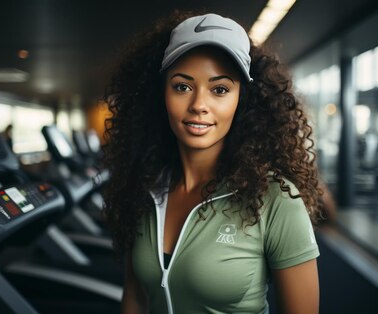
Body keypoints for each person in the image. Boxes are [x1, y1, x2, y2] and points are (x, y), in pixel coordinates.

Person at [101, 11, 322, 314]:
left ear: (241, 100)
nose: (198, 106)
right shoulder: (145, 187)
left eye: (220, 89)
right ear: (160, 93)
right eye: (182, 86)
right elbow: (136, 299)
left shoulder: (277, 198)